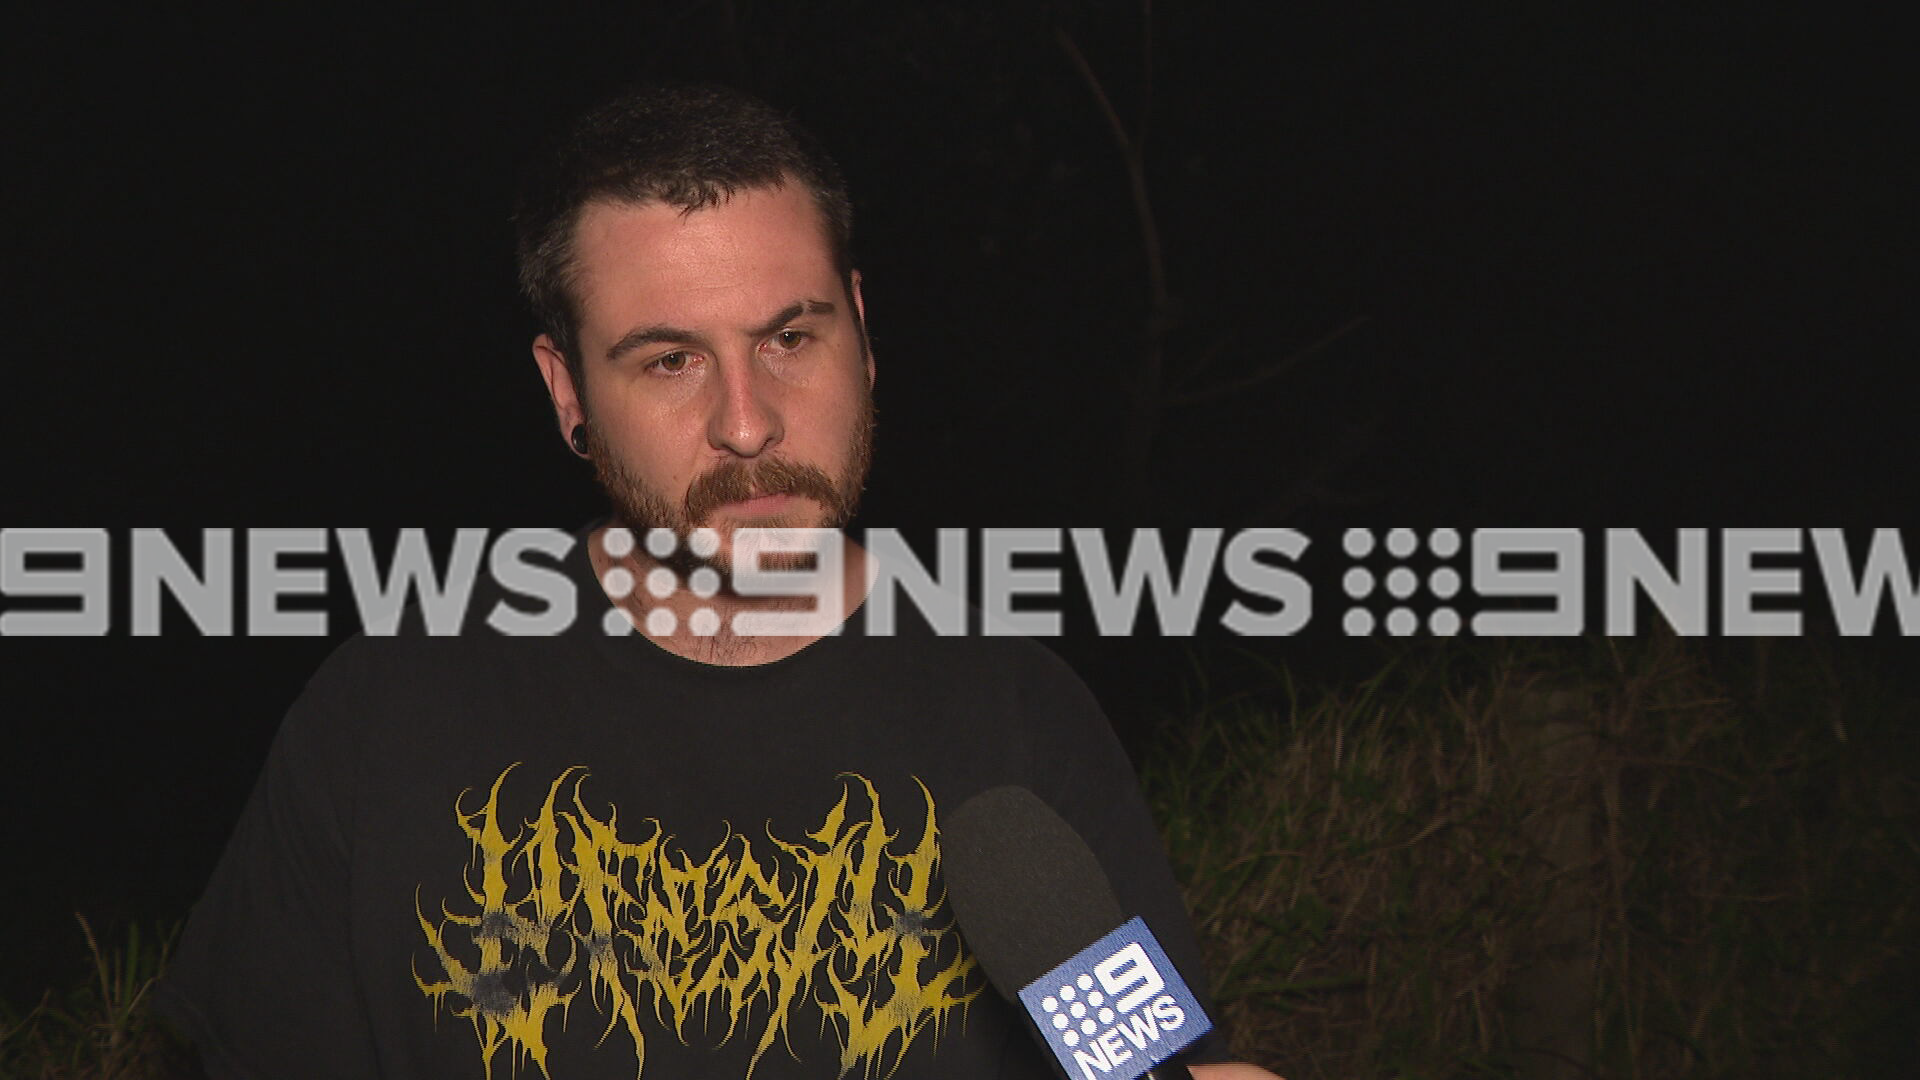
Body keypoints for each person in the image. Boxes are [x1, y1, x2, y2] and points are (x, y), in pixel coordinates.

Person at [158, 84, 1280, 1080]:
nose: (747, 423)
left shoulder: (1024, 719)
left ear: (862, 332)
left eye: (789, 338)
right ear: (567, 392)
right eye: (670, 360)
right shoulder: (384, 718)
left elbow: (1143, 1065)